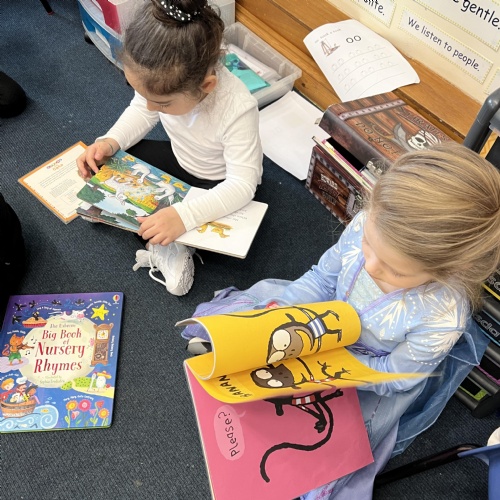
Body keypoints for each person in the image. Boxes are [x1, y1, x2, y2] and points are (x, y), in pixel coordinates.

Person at [181, 142, 500, 499]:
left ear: (445, 271)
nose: (370, 266)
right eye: (368, 244)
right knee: (261, 330)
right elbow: (321, 279)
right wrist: (282, 312)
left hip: (368, 374)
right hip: (322, 324)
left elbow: (394, 376)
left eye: (394, 270)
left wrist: (326, 369)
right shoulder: (369, 224)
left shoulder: (441, 314)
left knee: (323, 452)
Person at [76, 0, 262, 296]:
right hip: (179, 161)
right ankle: (151, 225)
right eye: (142, 94)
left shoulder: (238, 108)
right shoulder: (163, 85)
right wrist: (110, 141)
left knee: (216, 226)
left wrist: (183, 217)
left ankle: (173, 246)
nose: (152, 108)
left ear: (206, 86)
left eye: (162, 104)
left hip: (217, 183)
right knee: (111, 160)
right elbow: (141, 110)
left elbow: (242, 184)